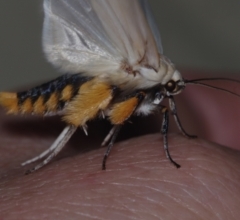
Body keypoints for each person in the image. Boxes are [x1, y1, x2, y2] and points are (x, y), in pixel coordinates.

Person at [1, 77, 240, 219]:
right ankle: (95, 149)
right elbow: (119, 117)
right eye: (170, 87)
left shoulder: (154, 98)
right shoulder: (138, 90)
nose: (172, 93)